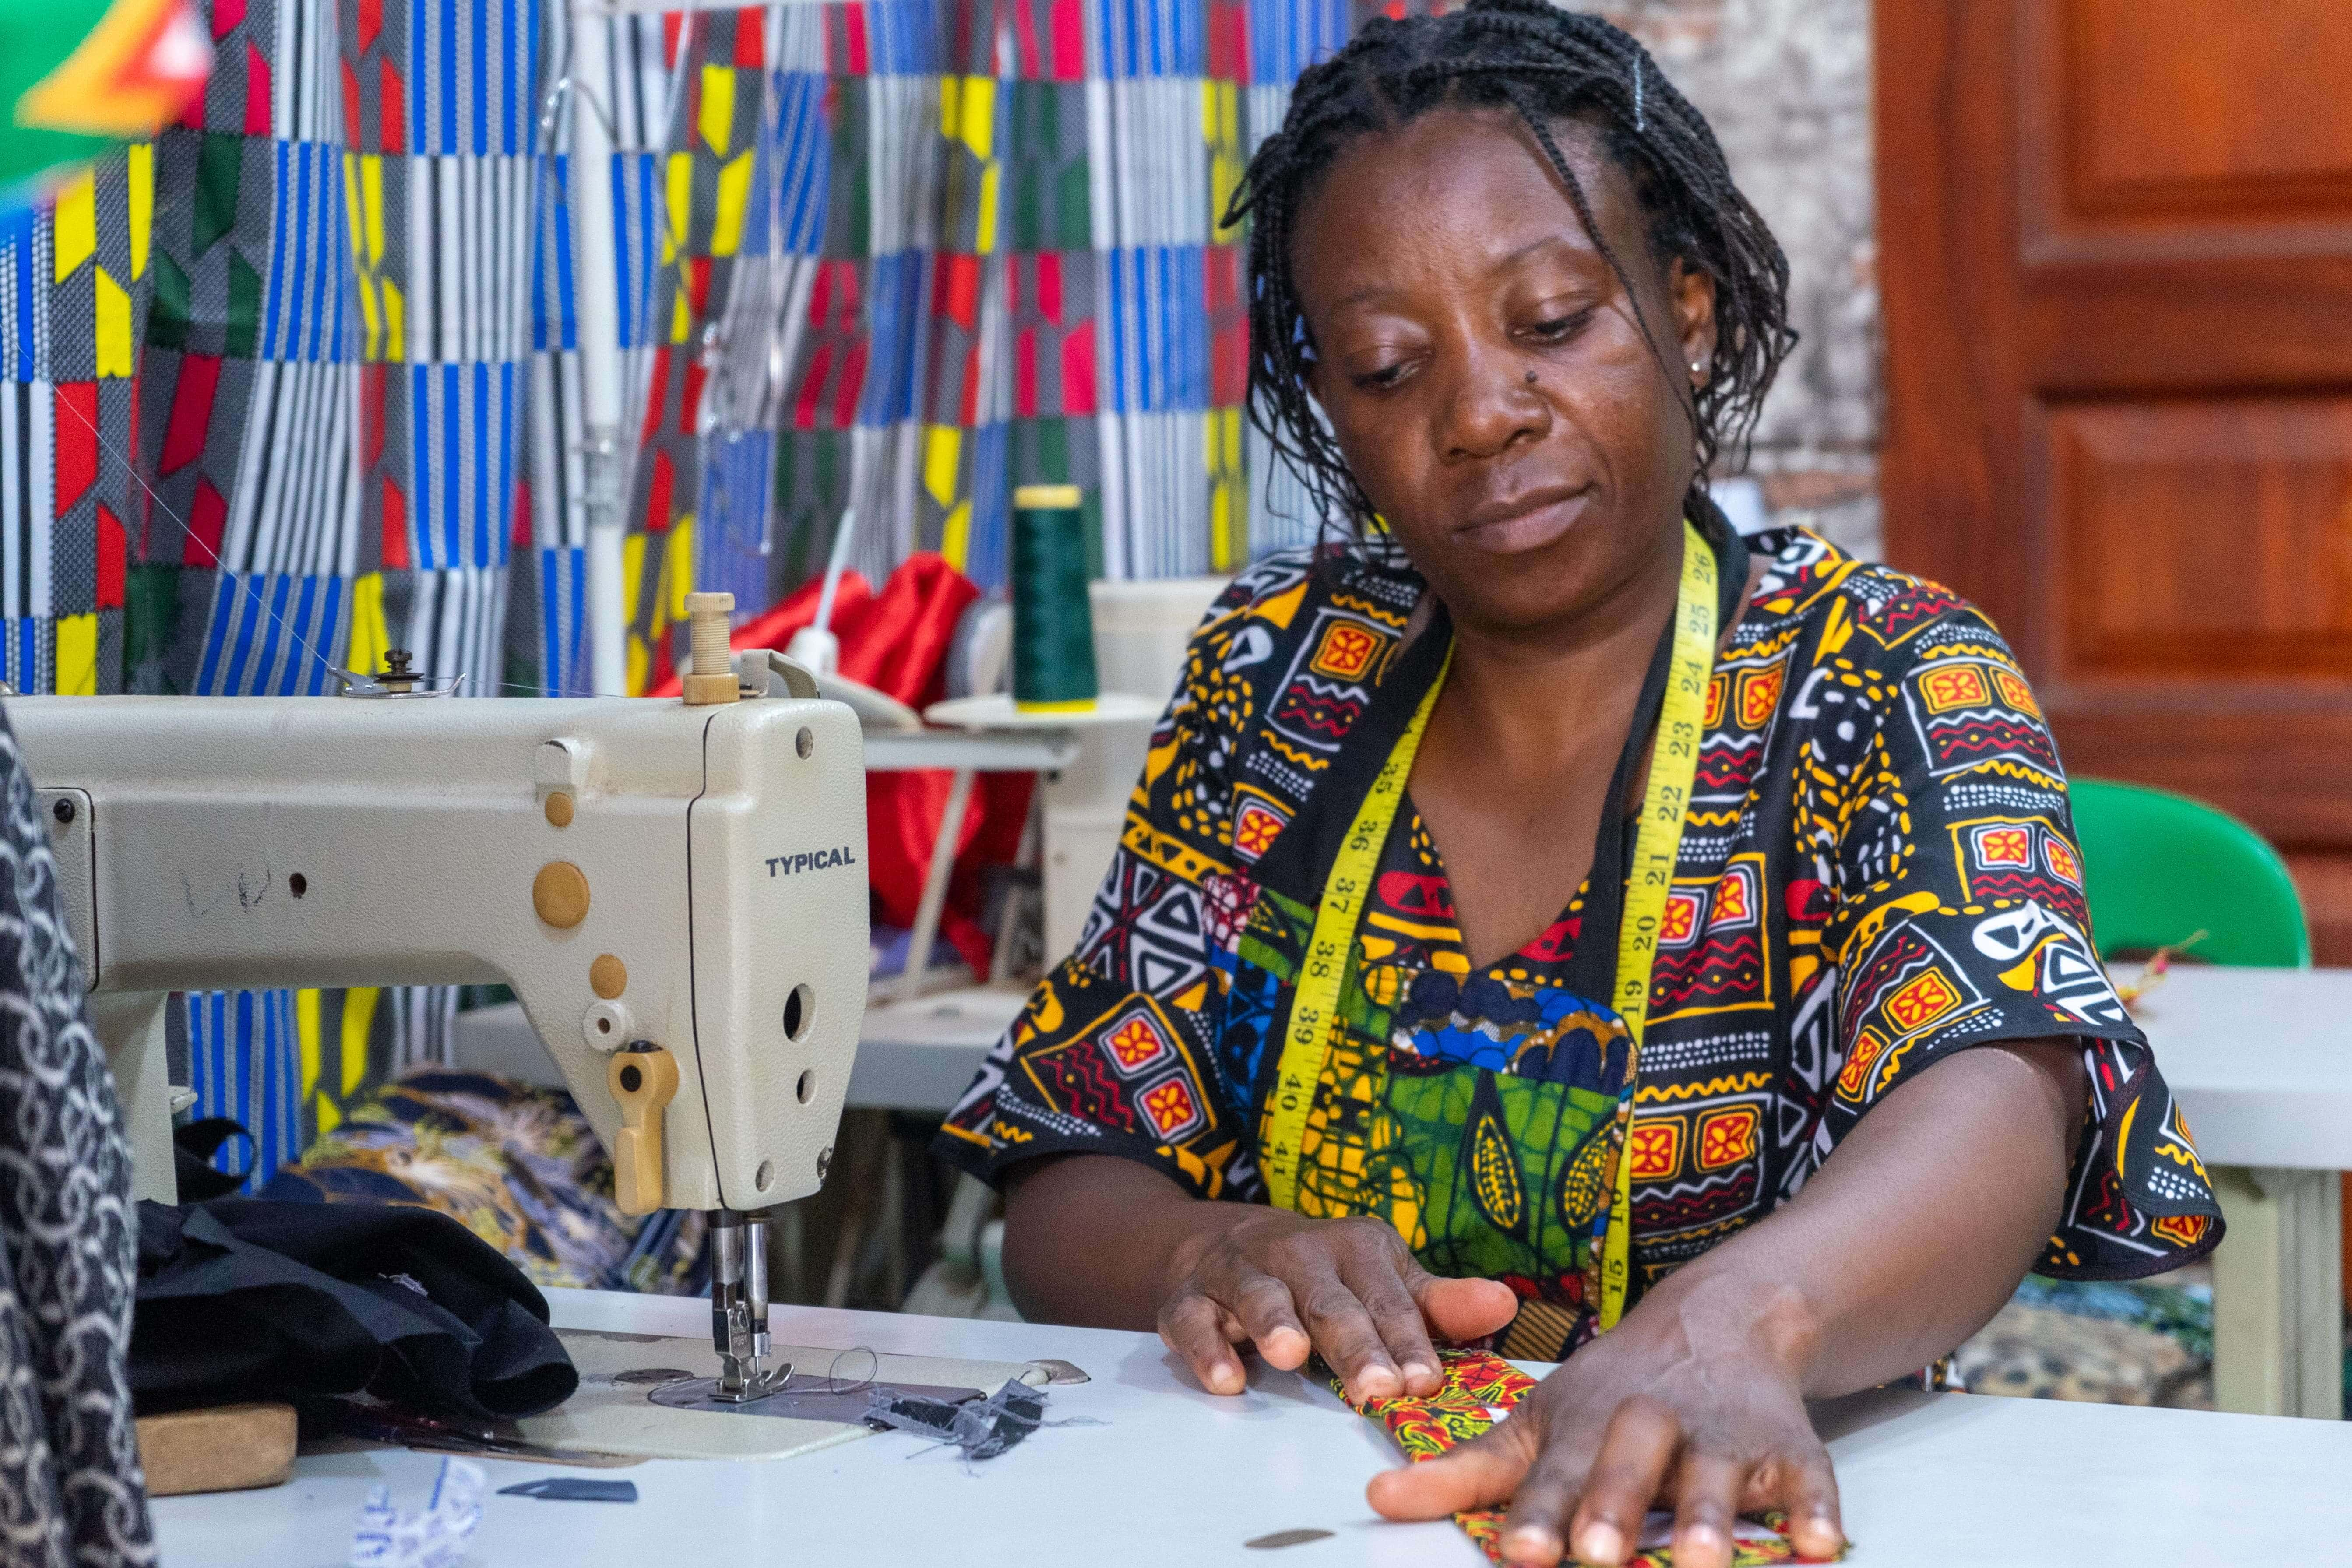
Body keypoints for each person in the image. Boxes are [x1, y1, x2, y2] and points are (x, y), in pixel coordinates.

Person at [936, 6, 2221, 1564]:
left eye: (1549, 321)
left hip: (1710, 1517)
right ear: (1335, 418)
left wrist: (1735, 1322)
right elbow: (1071, 1155)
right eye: (1390, 367)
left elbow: (2005, 1089)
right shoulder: (1280, 679)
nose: (1481, 415)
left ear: (1683, 314)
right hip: (1300, 1518)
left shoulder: (1879, 671)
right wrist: (1206, 1247)